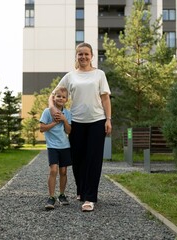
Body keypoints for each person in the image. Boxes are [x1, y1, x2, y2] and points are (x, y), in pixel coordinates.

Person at [49, 42, 112, 212]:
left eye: (86, 54)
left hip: (97, 121)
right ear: (76, 56)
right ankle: (81, 190)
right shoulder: (70, 76)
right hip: (76, 122)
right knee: (77, 160)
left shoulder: (99, 74)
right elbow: (53, 94)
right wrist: (53, 109)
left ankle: (90, 197)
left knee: (93, 159)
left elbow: (105, 99)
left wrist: (108, 119)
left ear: (91, 56)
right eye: (80, 54)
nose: (83, 57)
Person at [40, 86, 72, 210]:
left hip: (65, 146)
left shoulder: (68, 113)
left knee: (63, 171)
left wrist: (64, 120)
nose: (60, 98)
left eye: (63, 97)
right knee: (53, 170)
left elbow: (69, 131)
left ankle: (62, 195)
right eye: (58, 96)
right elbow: (42, 128)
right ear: (53, 98)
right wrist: (54, 123)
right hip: (52, 146)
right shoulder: (47, 112)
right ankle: (51, 197)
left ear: (66, 100)